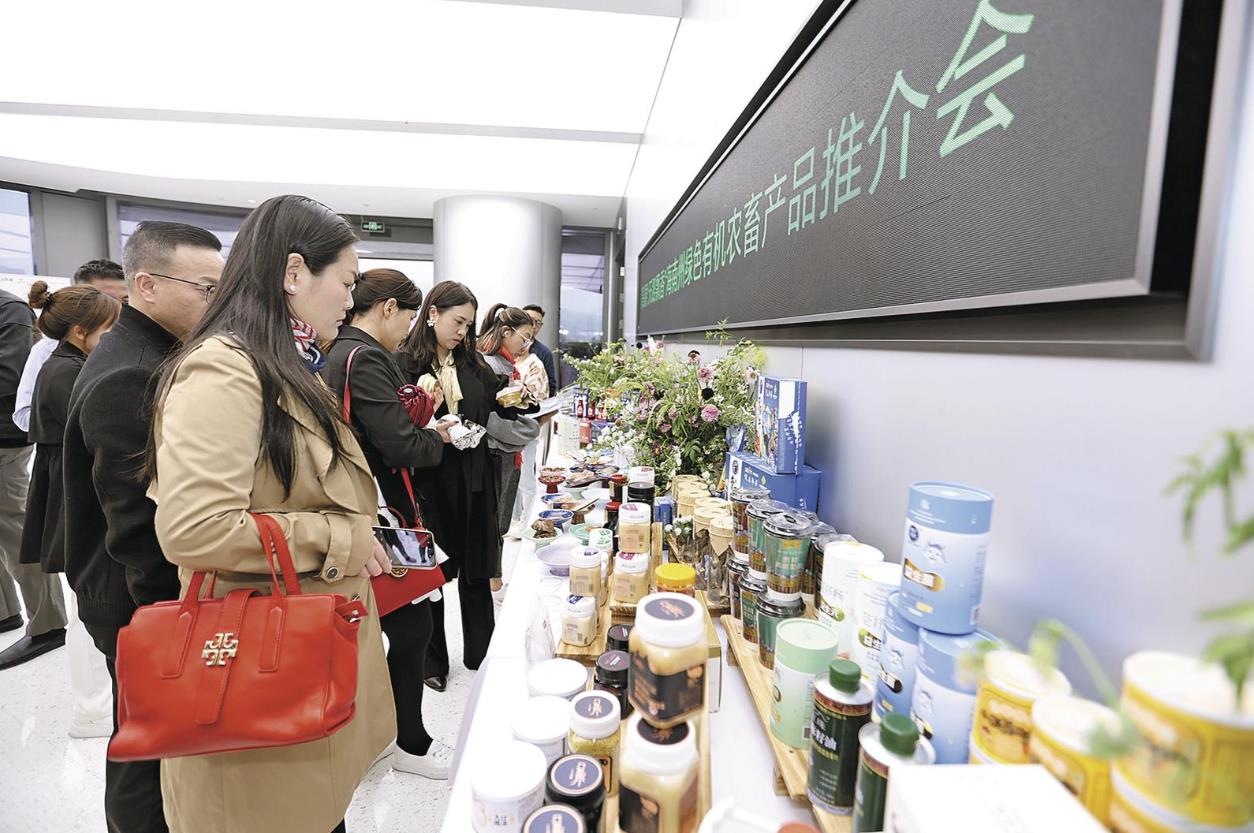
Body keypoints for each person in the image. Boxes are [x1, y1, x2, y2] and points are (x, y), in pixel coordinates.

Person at [145, 195, 393, 833]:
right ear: (293, 273)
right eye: (346, 281)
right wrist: (338, 535)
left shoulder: (285, 363)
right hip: (258, 672)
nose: (350, 300)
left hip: (301, 664)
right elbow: (195, 528)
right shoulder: (224, 369)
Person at [63, 220, 224, 833]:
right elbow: (135, 522)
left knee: (149, 738)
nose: (216, 300)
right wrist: (173, 616)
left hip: (137, 594)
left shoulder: (155, 353)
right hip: (135, 598)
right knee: (145, 749)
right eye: (204, 287)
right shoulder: (131, 371)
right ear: (147, 285)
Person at [324, 267, 456, 779]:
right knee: (411, 626)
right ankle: (410, 744)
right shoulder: (364, 357)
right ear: (387, 309)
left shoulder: (340, 352)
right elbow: (400, 444)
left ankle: (382, 736)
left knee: (388, 626)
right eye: (408, 317)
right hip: (382, 512)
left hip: (365, 507)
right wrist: (438, 437)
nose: (409, 329)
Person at [398, 281, 519, 688]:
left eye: (468, 324)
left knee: (475, 567)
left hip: (473, 474)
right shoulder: (403, 363)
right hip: (428, 479)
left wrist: (513, 399)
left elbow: (490, 404)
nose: (462, 331)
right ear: (432, 314)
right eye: (458, 322)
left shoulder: (472, 364)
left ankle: (480, 651)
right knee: (431, 572)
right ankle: (432, 661)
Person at [17, 284, 121, 738]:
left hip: (68, 489)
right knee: (87, 608)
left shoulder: (64, 364)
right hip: (72, 494)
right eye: (108, 329)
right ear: (81, 331)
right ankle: (93, 711)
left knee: (88, 602)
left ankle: (96, 707)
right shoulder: (66, 373)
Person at [0, 287, 68, 670]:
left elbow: (9, 375)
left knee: (16, 529)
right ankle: (6, 612)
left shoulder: (9, 309)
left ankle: (47, 623)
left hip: (6, 438)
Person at [13, 260, 127, 434]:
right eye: (103, 300)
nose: (118, 311)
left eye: (125, 301)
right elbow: (24, 414)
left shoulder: (125, 344)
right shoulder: (54, 358)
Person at [477, 304, 541, 540]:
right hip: (497, 451)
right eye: (524, 338)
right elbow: (490, 418)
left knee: (497, 524)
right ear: (506, 332)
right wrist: (527, 430)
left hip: (501, 450)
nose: (526, 345)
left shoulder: (499, 363)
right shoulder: (491, 366)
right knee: (495, 525)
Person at [522, 304, 558, 398]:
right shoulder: (507, 345)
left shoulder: (544, 352)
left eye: (538, 323)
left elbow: (551, 385)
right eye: (530, 320)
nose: (533, 326)